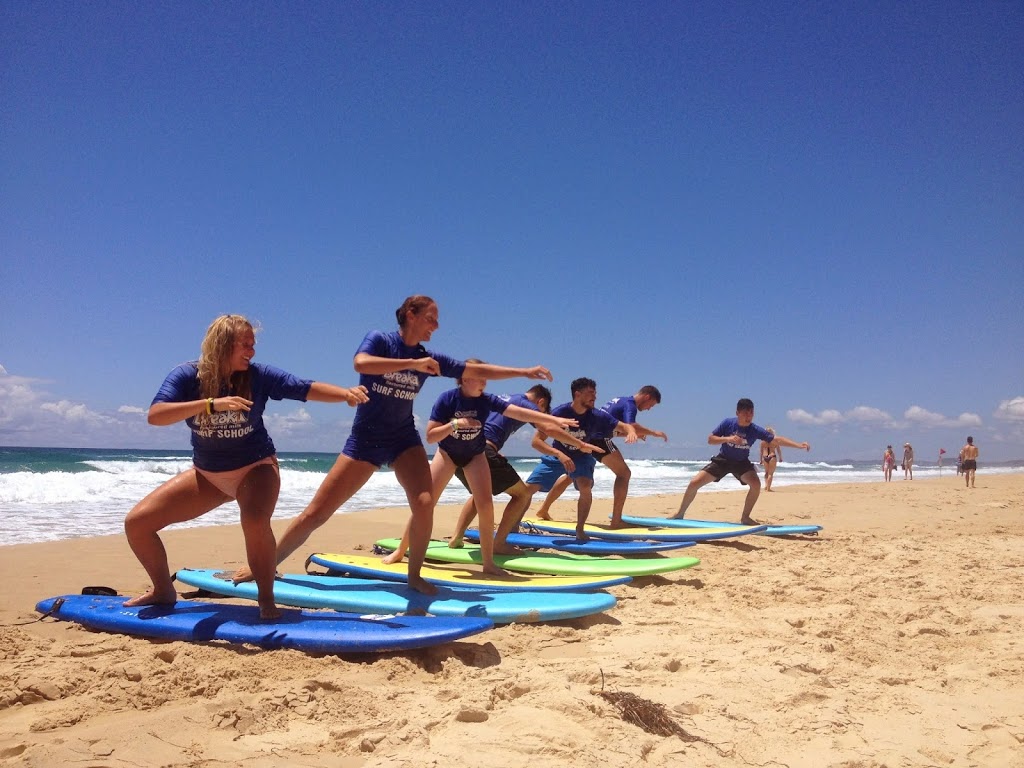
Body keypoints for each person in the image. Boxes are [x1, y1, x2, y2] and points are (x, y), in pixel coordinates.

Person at [233, 295, 553, 595]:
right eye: (431, 318)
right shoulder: (382, 340)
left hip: (404, 439)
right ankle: (264, 566)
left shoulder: (429, 358)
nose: (436, 326)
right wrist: (410, 366)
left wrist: (522, 371)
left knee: (424, 502)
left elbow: (474, 370)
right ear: (410, 315)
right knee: (318, 512)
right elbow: (362, 363)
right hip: (366, 439)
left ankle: (414, 576)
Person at [124, 314, 369, 619]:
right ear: (223, 344)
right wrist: (210, 404)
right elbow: (156, 415)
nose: (252, 351)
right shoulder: (187, 376)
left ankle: (266, 600)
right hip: (208, 477)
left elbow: (301, 387)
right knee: (137, 524)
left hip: (256, 468)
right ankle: (162, 590)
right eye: (245, 345)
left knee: (254, 520)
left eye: (253, 345)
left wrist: (345, 394)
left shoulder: (258, 376)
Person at [380, 364, 581, 573]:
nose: (485, 381)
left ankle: (488, 564)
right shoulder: (447, 399)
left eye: (486, 377)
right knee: (425, 503)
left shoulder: (488, 399)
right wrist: (456, 424)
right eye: (480, 377)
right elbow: (431, 436)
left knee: (485, 507)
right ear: (464, 379)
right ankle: (401, 550)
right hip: (447, 454)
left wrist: (552, 419)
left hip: (475, 455)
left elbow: (519, 413)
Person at [446, 385, 604, 554]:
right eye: (541, 410)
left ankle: (457, 537)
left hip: (461, 449)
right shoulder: (526, 403)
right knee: (522, 495)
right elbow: (548, 428)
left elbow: (483, 424)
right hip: (483, 450)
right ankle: (498, 544)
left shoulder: (504, 398)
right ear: (540, 402)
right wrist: (580, 444)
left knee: (480, 494)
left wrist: (494, 449)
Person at [533, 386, 667, 527]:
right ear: (647, 397)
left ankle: (543, 509)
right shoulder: (630, 405)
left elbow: (610, 427)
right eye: (650, 405)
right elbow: (630, 424)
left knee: (570, 475)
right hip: (598, 440)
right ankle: (616, 520)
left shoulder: (620, 400)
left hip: (587, 437)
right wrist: (653, 432)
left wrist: (631, 434)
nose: (648, 409)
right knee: (624, 474)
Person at [523, 377, 639, 540]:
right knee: (527, 490)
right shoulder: (560, 413)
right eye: (591, 393)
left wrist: (631, 431)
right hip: (558, 454)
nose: (595, 396)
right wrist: (560, 455)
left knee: (585, 486)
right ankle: (513, 526)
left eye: (595, 393)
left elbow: (623, 426)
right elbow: (536, 441)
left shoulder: (597, 415)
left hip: (582, 457)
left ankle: (580, 529)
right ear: (577, 395)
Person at [671, 398, 810, 525]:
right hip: (723, 460)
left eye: (751, 413)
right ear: (737, 412)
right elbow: (710, 439)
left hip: (741, 463)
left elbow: (777, 439)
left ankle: (745, 517)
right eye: (745, 413)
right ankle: (680, 513)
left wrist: (799, 445)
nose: (749, 417)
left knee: (756, 485)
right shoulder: (727, 423)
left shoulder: (754, 429)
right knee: (694, 483)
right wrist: (728, 439)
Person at [759, 426, 781, 491]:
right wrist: (780, 457)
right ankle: (768, 488)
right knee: (770, 473)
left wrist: (760, 460)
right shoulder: (775, 441)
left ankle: (766, 486)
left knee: (766, 472)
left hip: (765, 457)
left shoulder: (762, 441)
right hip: (772, 456)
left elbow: (761, 451)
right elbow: (778, 450)